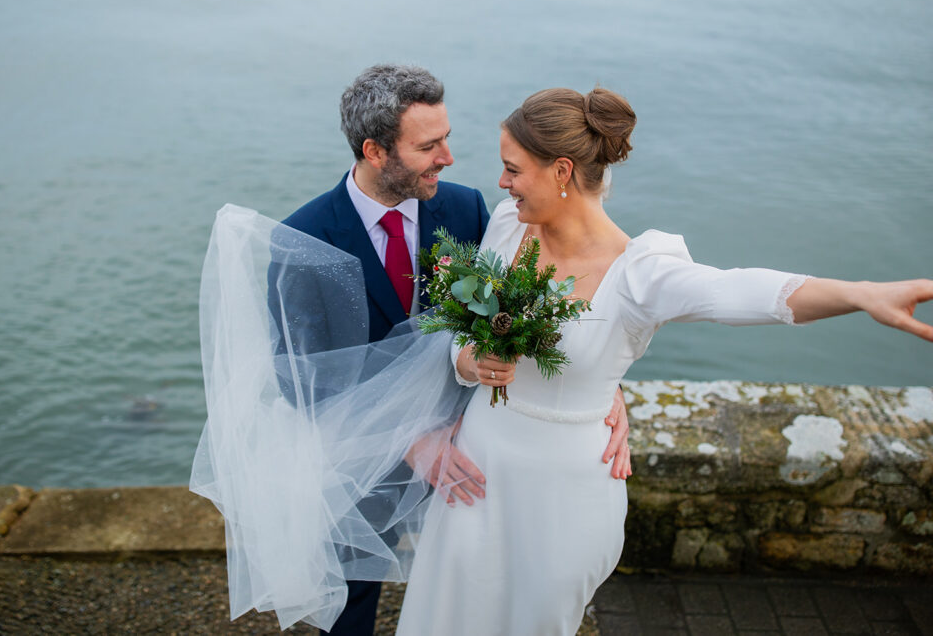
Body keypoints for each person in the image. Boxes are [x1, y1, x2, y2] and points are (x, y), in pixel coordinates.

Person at [392, 86, 933, 636]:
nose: (502, 184)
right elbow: (463, 338)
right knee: (446, 612)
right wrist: (471, 361)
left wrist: (862, 294)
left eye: (513, 170)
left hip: (563, 494)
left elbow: (739, 291)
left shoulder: (640, 272)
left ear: (560, 171)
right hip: (475, 472)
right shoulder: (509, 226)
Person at [272, 65, 632, 635]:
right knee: (350, 596)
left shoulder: (467, 211)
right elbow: (299, 375)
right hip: (363, 458)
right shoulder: (304, 240)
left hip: (473, 447)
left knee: (481, 587)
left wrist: (604, 388)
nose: (449, 157)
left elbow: (527, 303)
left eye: (446, 138)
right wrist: (410, 438)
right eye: (429, 145)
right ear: (374, 150)